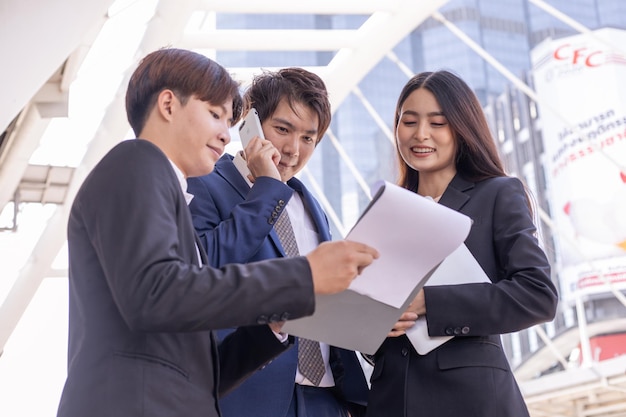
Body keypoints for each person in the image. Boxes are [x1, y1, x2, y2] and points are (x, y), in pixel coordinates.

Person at [56, 48, 378, 417]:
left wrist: (272, 324)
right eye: (215, 115)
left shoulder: (171, 195)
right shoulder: (136, 162)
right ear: (168, 105)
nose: (226, 135)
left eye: (230, 121)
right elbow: (157, 294)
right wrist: (302, 276)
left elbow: (202, 375)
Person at [365, 70, 559, 417]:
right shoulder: (384, 213)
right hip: (392, 399)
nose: (420, 134)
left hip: (470, 400)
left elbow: (537, 295)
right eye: (408, 121)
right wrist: (375, 325)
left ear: (462, 128)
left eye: (437, 123)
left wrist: (428, 303)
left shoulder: (497, 194)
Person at [187, 67, 369, 417]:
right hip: (249, 396)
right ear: (248, 123)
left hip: (326, 399)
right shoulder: (205, 185)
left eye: (308, 139)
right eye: (282, 129)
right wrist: (267, 190)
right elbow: (205, 267)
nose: (292, 149)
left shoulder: (311, 205)